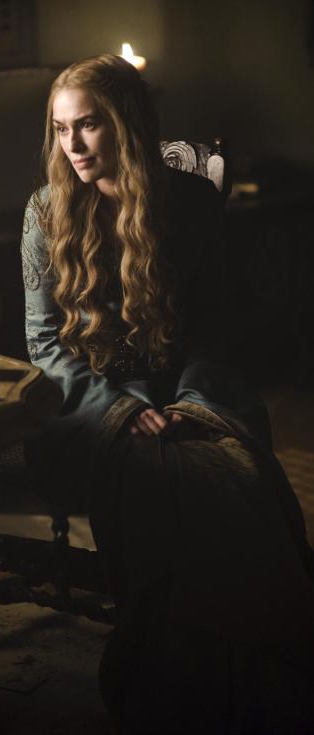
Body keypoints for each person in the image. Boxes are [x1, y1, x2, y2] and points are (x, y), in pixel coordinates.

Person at [21, 54, 314, 734]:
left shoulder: (188, 202)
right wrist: (122, 410)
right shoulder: (45, 212)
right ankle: (168, 679)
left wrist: (189, 403)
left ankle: (255, 660)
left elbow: (212, 331)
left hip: (190, 385)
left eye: (88, 125)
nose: (73, 145)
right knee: (160, 475)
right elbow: (43, 346)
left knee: (234, 472)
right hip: (88, 402)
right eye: (61, 129)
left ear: (125, 123)